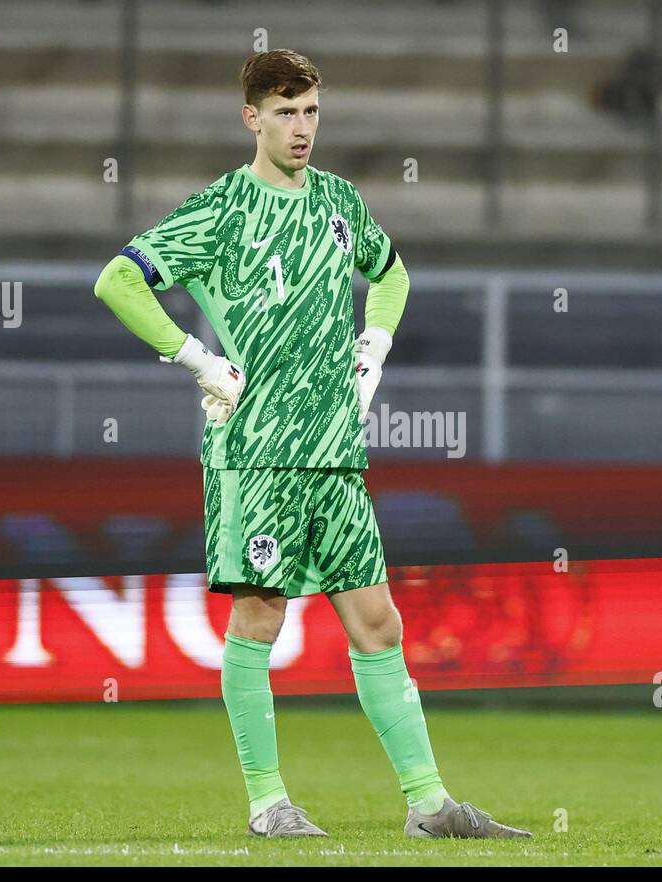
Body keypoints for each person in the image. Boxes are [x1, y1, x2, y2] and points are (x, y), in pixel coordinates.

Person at [94, 48, 530, 840]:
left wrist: (376, 345)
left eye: (312, 111)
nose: (301, 128)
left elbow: (392, 274)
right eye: (285, 112)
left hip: (335, 450)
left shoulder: (339, 200)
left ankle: (429, 806)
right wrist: (195, 359)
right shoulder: (222, 209)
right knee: (260, 621)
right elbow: (118, 280)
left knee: (380, 623)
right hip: (257, 449)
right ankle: (268, 805)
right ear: (251, 117)